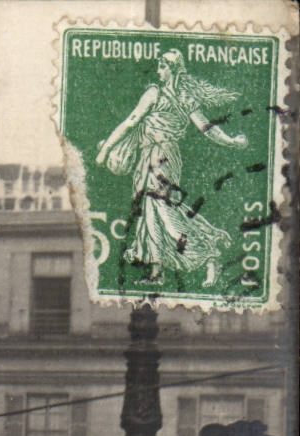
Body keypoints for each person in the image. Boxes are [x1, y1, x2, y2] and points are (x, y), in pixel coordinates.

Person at [94, 49, 247, 283]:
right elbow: (206, 128)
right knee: (151, 210)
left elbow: (132, 121)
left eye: (162, 66)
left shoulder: (159, 94)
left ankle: (207, 255)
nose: (158, 71)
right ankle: (157, 272)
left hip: (161, 157)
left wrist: (105, 150)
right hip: (154, 155)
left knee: (163, 210)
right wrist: (232, 142)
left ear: (172, 69)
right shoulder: (179, 96)